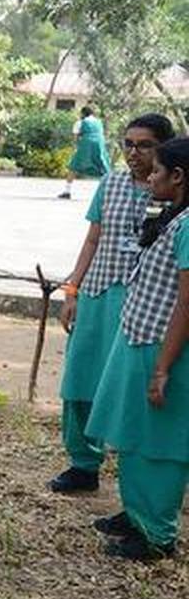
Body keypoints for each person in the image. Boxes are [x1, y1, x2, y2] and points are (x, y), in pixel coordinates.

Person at [49, 113, 176, 494]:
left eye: (145, 145)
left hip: (145, 306)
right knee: (79, 378)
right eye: (128, 144)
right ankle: (83, 463)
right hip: (98, 294)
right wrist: (73, 290)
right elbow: (93, 240)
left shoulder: (172, 192)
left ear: (163, 150)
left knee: (128, 387)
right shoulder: (112, 183)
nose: (134, 153)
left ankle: (133, 479)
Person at [86, 137, 189, 561]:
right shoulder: (173, 217)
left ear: (178, 177)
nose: (148, 178)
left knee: (158, 445)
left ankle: (157, 535)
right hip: (142, 338)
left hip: (164, 350)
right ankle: (137, 512)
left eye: (157, 171)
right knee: (133, 434)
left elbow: (187, 301)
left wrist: (163, 367)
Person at [60, 107, 112, 200]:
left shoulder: (80, 122)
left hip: (86, 145)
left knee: (73, 167)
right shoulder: (99, 122)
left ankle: (67, 192)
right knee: (104, 167)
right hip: (99, 145)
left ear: (83, 114)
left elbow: (75, 138)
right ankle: (109, 192)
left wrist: (77, 148)